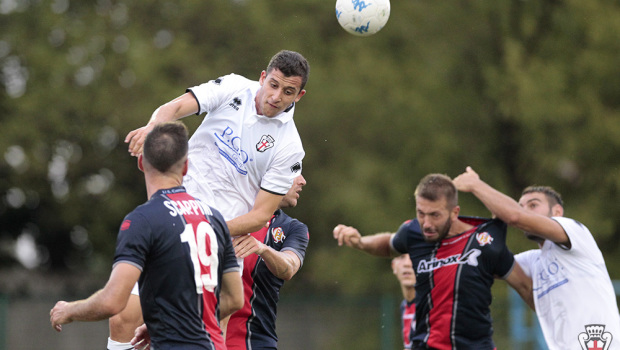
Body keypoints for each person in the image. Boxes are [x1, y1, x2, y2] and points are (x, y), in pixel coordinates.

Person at [112, 50, 310, 349]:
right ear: (262, 77)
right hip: (171, 218)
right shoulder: (232, 87)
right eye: (273, 85)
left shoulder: (290, 146)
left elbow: (260, 215)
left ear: (299, 96)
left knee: (206, 334)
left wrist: (202, 228)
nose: (276, 96)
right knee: (123, 318)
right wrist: (153, 126)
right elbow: (173, 107)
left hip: (217, 242)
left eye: (288, 91)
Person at [50, 122, 244, 349]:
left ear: (141, 163)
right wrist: (165, 322)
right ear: (186, 167)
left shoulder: (143, 220)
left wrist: (69, 310)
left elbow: (112, 301)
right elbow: (234, 299)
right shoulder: (215, 218)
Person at [333, 173, 534, 349]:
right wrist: (360, 242)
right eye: (421, 213)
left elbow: (525, 287)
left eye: (435, 215)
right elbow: (389, 244)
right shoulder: (413, 233)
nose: (427, 224)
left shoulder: (484, 240)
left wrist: (476, 185)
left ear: (454, 212)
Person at [453, 166, 620, 350]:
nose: (526, 211)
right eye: (522, 206)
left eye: (533, 205)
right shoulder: (533, 261)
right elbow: (482, 260)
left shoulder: (574, 230)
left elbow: (515, 216)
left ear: (557, 212)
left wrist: (477, 185)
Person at [225, 174, 309, 349]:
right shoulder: (225, 211)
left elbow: (289, 267)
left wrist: (262, 248)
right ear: (269, 174)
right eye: (294, 170)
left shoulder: (293, 228)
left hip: (254, 342)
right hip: (202, 339)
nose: (303, 181)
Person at [392, 254, 416, 350]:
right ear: (394, 266)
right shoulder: (404, 306)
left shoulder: (434, 305)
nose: (407, 264)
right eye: (401, 257)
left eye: (413, 255)